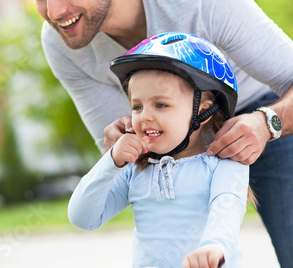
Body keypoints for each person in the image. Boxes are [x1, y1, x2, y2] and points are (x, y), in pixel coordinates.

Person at [15, 0, 293, 267]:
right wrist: (119, 146)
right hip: (174, 135)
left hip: (266, 114)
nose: (53, 12)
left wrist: (266, 123)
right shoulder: (60, 42)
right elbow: (125, 156)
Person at [69, 32, 250, 268]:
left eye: (161, 104)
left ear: (202, 111)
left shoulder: (225, 163)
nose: (145, 116)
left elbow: (226, 210)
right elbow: (82, 218)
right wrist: (111, 161)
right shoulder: (136, 169)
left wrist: (214, 247)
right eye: (137, 106)